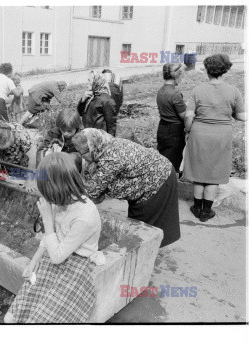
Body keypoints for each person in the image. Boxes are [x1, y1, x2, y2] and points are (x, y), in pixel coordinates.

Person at [4, 152, 105, 323]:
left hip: (77, 265)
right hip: (54, 255)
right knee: (10, 318)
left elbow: (57, 256)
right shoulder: (62, 200)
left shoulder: (85, 216)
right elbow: (51, 238)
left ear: (57, 188)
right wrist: (34, 261)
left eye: (46, 192)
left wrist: (47, 219)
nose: (44, 197)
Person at [72, 128, 180, 248]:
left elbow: (93, 192)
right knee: (136, 226)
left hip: (157, 179)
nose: (83, 157)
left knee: (143, 227)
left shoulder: (111, 157)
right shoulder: (103, 146)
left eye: (83, 153)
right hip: (148, 179)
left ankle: (146, 253)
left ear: (92, 147)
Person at [184, 54, 245, 222]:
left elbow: (189, 116)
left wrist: (187, 131)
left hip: (199, 133)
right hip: (221, 135)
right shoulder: (233, 91)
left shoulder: (198, 90)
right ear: (225, 70)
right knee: (214, 172)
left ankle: (196, 208)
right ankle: (206, 212)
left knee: (198, 170)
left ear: (207, 70)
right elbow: (242, 117)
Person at [156, 63, 186, 174]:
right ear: (177, 75)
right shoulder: (175, 94)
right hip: (175, 133)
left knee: (163, 162)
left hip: (162, 129)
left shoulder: (161, 91)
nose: (181, 78)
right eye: (181, 75)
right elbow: (184, 116)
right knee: (172, 165)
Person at [77, 71, 117, 136]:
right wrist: (82, 100)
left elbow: (111, 125)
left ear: (96, 81)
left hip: (99, 137)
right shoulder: (90, 95)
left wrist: (111, 142)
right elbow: (80, 113)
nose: (87, 83)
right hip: (89, 135)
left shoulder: (107, 100)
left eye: (89, 80)